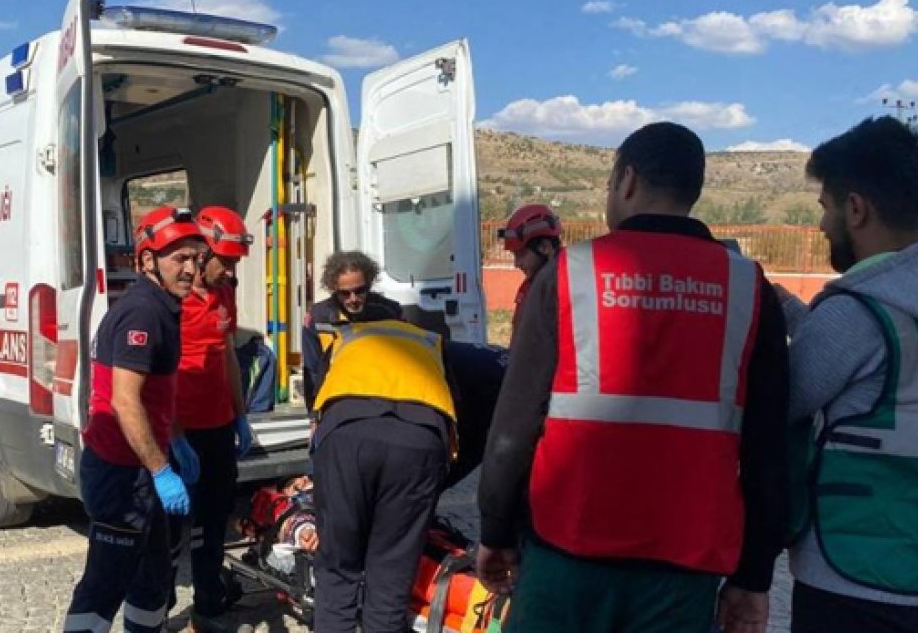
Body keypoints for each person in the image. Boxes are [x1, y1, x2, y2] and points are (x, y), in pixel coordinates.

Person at [476, 122, 790, 633]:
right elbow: (768, 450)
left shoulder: (568, 274)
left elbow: (513, 427)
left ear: (626, 180)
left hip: (566, 556)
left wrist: (495, 528)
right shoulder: (748, 287)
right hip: (684, 570)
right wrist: (753, 576)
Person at [779, 117, 918, 633]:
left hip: (856, 574)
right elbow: (880, 367)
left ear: (856, 207)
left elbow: (783, 399)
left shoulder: (854, 314)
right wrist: (786, 306)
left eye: (825, 207)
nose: (823, 224)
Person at [64, 206, 207, 633]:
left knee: (153, 578)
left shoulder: (165, 307)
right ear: (147, 260)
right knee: (106, 583)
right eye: (178, 258)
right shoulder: (143, 313)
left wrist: (176, 438)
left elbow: (159, 392)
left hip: (144, 466)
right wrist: (162, 470)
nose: (190, 268)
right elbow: (126, 402)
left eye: (196, 258)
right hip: (122, 473)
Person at [310, 316, 458, 633]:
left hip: (349, 434)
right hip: (419, 440)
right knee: (392, 569)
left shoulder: (344, 336)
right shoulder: (430, 341)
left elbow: (318, 401)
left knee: (339, 564)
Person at [174, 205, 254, 631]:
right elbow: (160, 372)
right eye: (226, 261)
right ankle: (154, 608)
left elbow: (227, 357)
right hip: (178, 432)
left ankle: (207, 607)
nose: (230, 270)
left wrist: (240, 416)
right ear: (201, 254)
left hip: (218, 426)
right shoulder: (173, 300)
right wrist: (175, 435)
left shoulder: (224, 293)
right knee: (168, 530)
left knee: (211, 521)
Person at [300, 250, 402, 409]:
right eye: (345, 293)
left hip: (383, 399)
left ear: (369, 283)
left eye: (360, 291)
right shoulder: (317, 318)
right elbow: (312, 372)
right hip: (338, 402)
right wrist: (314, 416)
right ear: (333, 288)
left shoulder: (389, 312)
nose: (353, 299)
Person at [496, 203, 562, 333]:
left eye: (521, 254)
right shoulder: (530, 286)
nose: (516, 263)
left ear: (545, 247)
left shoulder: (567, 288)